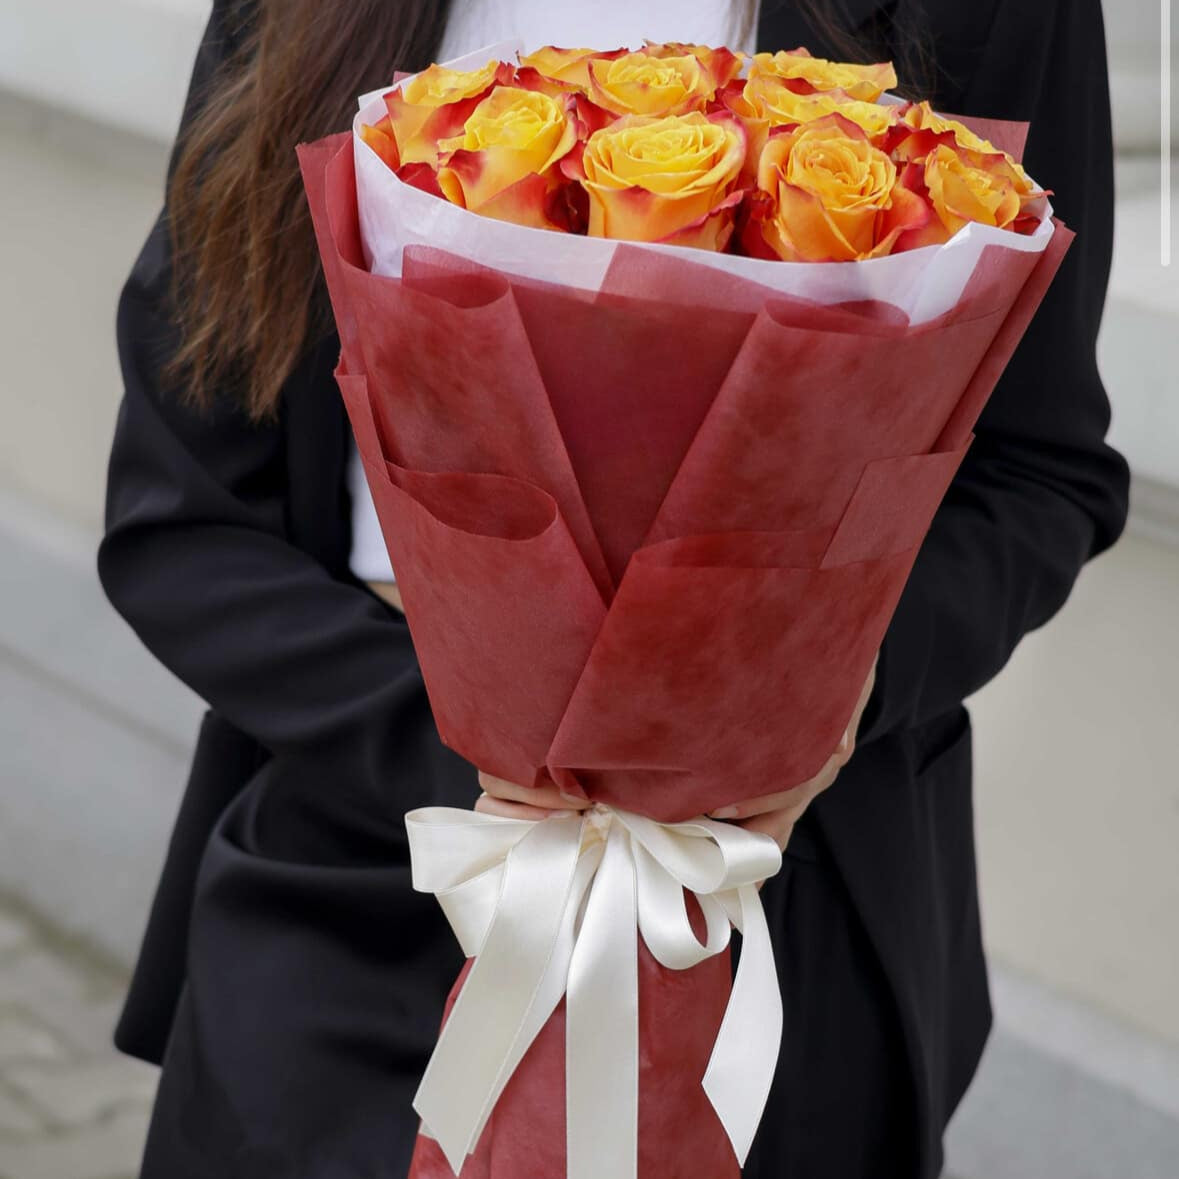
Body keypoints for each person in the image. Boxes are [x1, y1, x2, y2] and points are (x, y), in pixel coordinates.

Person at [98, 0, 1129, 1176]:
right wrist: (491, 749)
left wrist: (838, 687)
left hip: (772, 895)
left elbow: (1042, 472)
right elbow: (178, 516)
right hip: (359, 864)